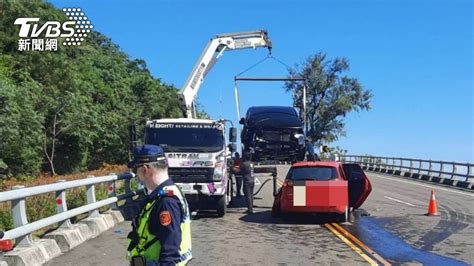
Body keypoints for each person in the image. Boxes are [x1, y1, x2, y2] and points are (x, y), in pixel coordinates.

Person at [127, 145, 192, 266]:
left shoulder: (166, 201)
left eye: (136, 170)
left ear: (146, 169)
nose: (136, 175)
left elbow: (170, 246)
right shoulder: (170, 192)